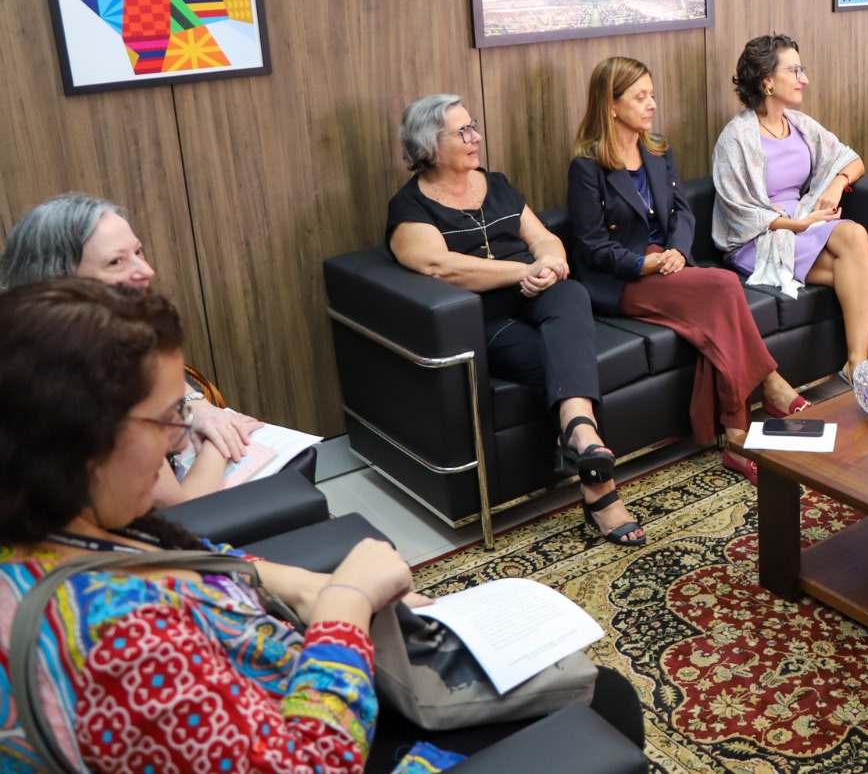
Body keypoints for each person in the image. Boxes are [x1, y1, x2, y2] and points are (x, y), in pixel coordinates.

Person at [0, 278, 644, 772]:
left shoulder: (61, 529)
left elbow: (192, 563)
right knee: (604, 700)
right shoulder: (120, 640)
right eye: (170, 418)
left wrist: (304, 587)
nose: (181, 439)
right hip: (319, 729)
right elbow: (307, 763)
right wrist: (346, 603)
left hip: (292, 676)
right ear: (83, 440)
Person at [387, 95, 643, 545]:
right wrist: (524, 270)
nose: (476, 137)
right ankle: (597, 482)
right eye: (462, 131)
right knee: (557, 360)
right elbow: (439, 267)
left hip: (538, 296)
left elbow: (543, 237)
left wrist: (548, 263)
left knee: (571, 292)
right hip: (485, 320)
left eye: (474, 126)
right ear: (430, 146)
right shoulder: (410, 208)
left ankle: (580, 438)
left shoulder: (497, 183)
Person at [568, 57, 812, 483]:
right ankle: (771, 387)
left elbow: (682, 212)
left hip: (669, 264)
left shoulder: (658, 149)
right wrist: (642, 263)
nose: (652, 105)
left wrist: (679, 251)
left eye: (652, 94)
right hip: (624, 279)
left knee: (712, 322)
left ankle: (737, 439)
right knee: (723, 285)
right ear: (610, 105)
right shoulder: (587, 166)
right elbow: (590, 246)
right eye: (640, 97)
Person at [0, 192, 267, 505]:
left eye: (139, 251)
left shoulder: (40, 332)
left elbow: (158, 371)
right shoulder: (82, 380)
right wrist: (218, 446)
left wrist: (199, 407)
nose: (146, 271)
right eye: (117, 261)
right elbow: (183, 508)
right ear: (61, 280)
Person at [711, 33, 868, 384]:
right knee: (866, 262)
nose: (805, 79)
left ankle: (861, 366)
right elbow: (736, 211)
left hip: (805, 220)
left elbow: (852, 160)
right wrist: (795, 225)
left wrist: (835, 185)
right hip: (761, 236)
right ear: (768, 81)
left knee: (862, 252)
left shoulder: (799, 124)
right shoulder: (736, 138)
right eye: (795, 70)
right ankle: (864, 367)